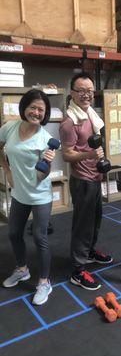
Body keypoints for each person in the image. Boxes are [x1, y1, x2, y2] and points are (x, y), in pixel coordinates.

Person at [0, 89, 56, 305]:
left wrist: (48, 163)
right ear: (24, 107)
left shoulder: (46, 139)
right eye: (33, 107)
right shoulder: (10, 127)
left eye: (41, 109)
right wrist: (6, 169)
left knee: (40, 237)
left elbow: (42, 176)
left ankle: (44, 282)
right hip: (19, 193)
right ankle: (22, 269)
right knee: (14, 234)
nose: (36, 112)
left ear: (45, 114)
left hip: (40, 195)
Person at [59, 72, 113, 291]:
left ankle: (89, 251)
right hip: (82, 179)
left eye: (90, 90)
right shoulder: (69, 122)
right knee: (83, 225)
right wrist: (89, 155)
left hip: (95, 176)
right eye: (81, 90)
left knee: (95, 219)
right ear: (72, 93)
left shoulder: (90, 114)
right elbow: (67, 155)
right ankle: (78, 270)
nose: (86, 94)